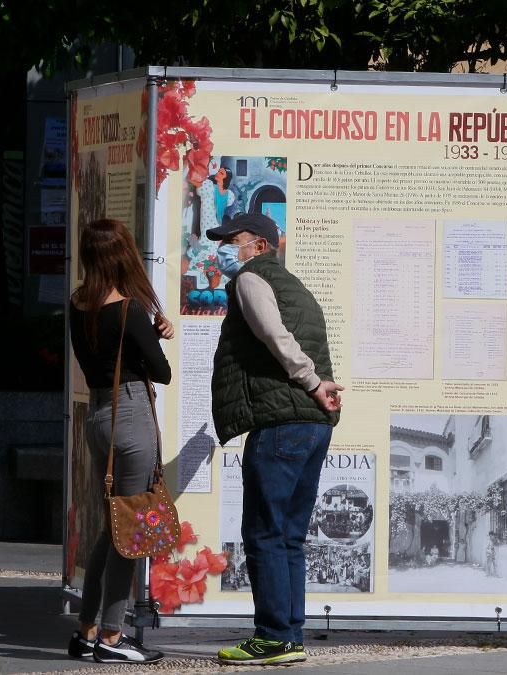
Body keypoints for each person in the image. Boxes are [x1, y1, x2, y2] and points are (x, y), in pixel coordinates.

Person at [206, 213, 343, 666]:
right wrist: (318, 388)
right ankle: (289, 636)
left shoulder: (252, 278)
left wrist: (310, 380)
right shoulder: (294, 286)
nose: (228, 248)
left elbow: (274, 336)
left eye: (234, 241)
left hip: (281, 421)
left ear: (259, 246)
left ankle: (272, 636)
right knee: (289, 535)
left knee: (264, 531)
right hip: (311, 424)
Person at [66, 219, 175, 665]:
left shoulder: (77, 303)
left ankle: (86, 629)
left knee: (112, 528)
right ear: (122, 257)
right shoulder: (128, 309)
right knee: (130, 529)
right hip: (130, 413)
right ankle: (112, 637)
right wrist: (158, 332)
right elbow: (161, 372)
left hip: (99, 414)